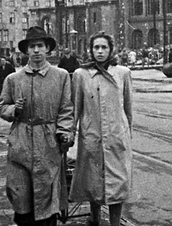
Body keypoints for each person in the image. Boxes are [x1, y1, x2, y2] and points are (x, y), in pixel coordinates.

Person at [0, 26, 74, 226]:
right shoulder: (13, 79)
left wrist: (65, 133)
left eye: (40, 46)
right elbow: (2, 107)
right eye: (32, 46)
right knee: (21, 196)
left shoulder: (61, 76)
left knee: (46, 198)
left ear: (47, 48)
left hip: (48, 143)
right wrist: (14, 109)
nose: (36, 51)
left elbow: (66, 110)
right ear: (26, 50)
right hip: (20, 143)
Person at [70, 32, 133, 226]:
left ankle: (115, 223)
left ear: (111, 49)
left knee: (118, 183)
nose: (100, 51)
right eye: (96, 47)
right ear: (90, 50)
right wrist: (70, 132)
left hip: (116, 137)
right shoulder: (81, 75)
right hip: (92, 137)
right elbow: (75, 107)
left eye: (104, 47)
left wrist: (126, 133)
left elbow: (128, 107)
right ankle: (95, 218)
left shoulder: (122, 73)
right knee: (93, 181)